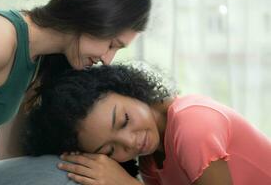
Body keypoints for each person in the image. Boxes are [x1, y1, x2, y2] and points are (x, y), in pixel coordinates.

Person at [0, 0, 151, 164]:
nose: (107, 60)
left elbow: (10, 155)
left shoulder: (40, 61)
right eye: (112, 44)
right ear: (92, 14)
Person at [18, 64, 271, 185]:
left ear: (128, 89)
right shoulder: (150, 157)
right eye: (109, 151)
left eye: (124, 120)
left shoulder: (192, 125)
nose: (130, 142)